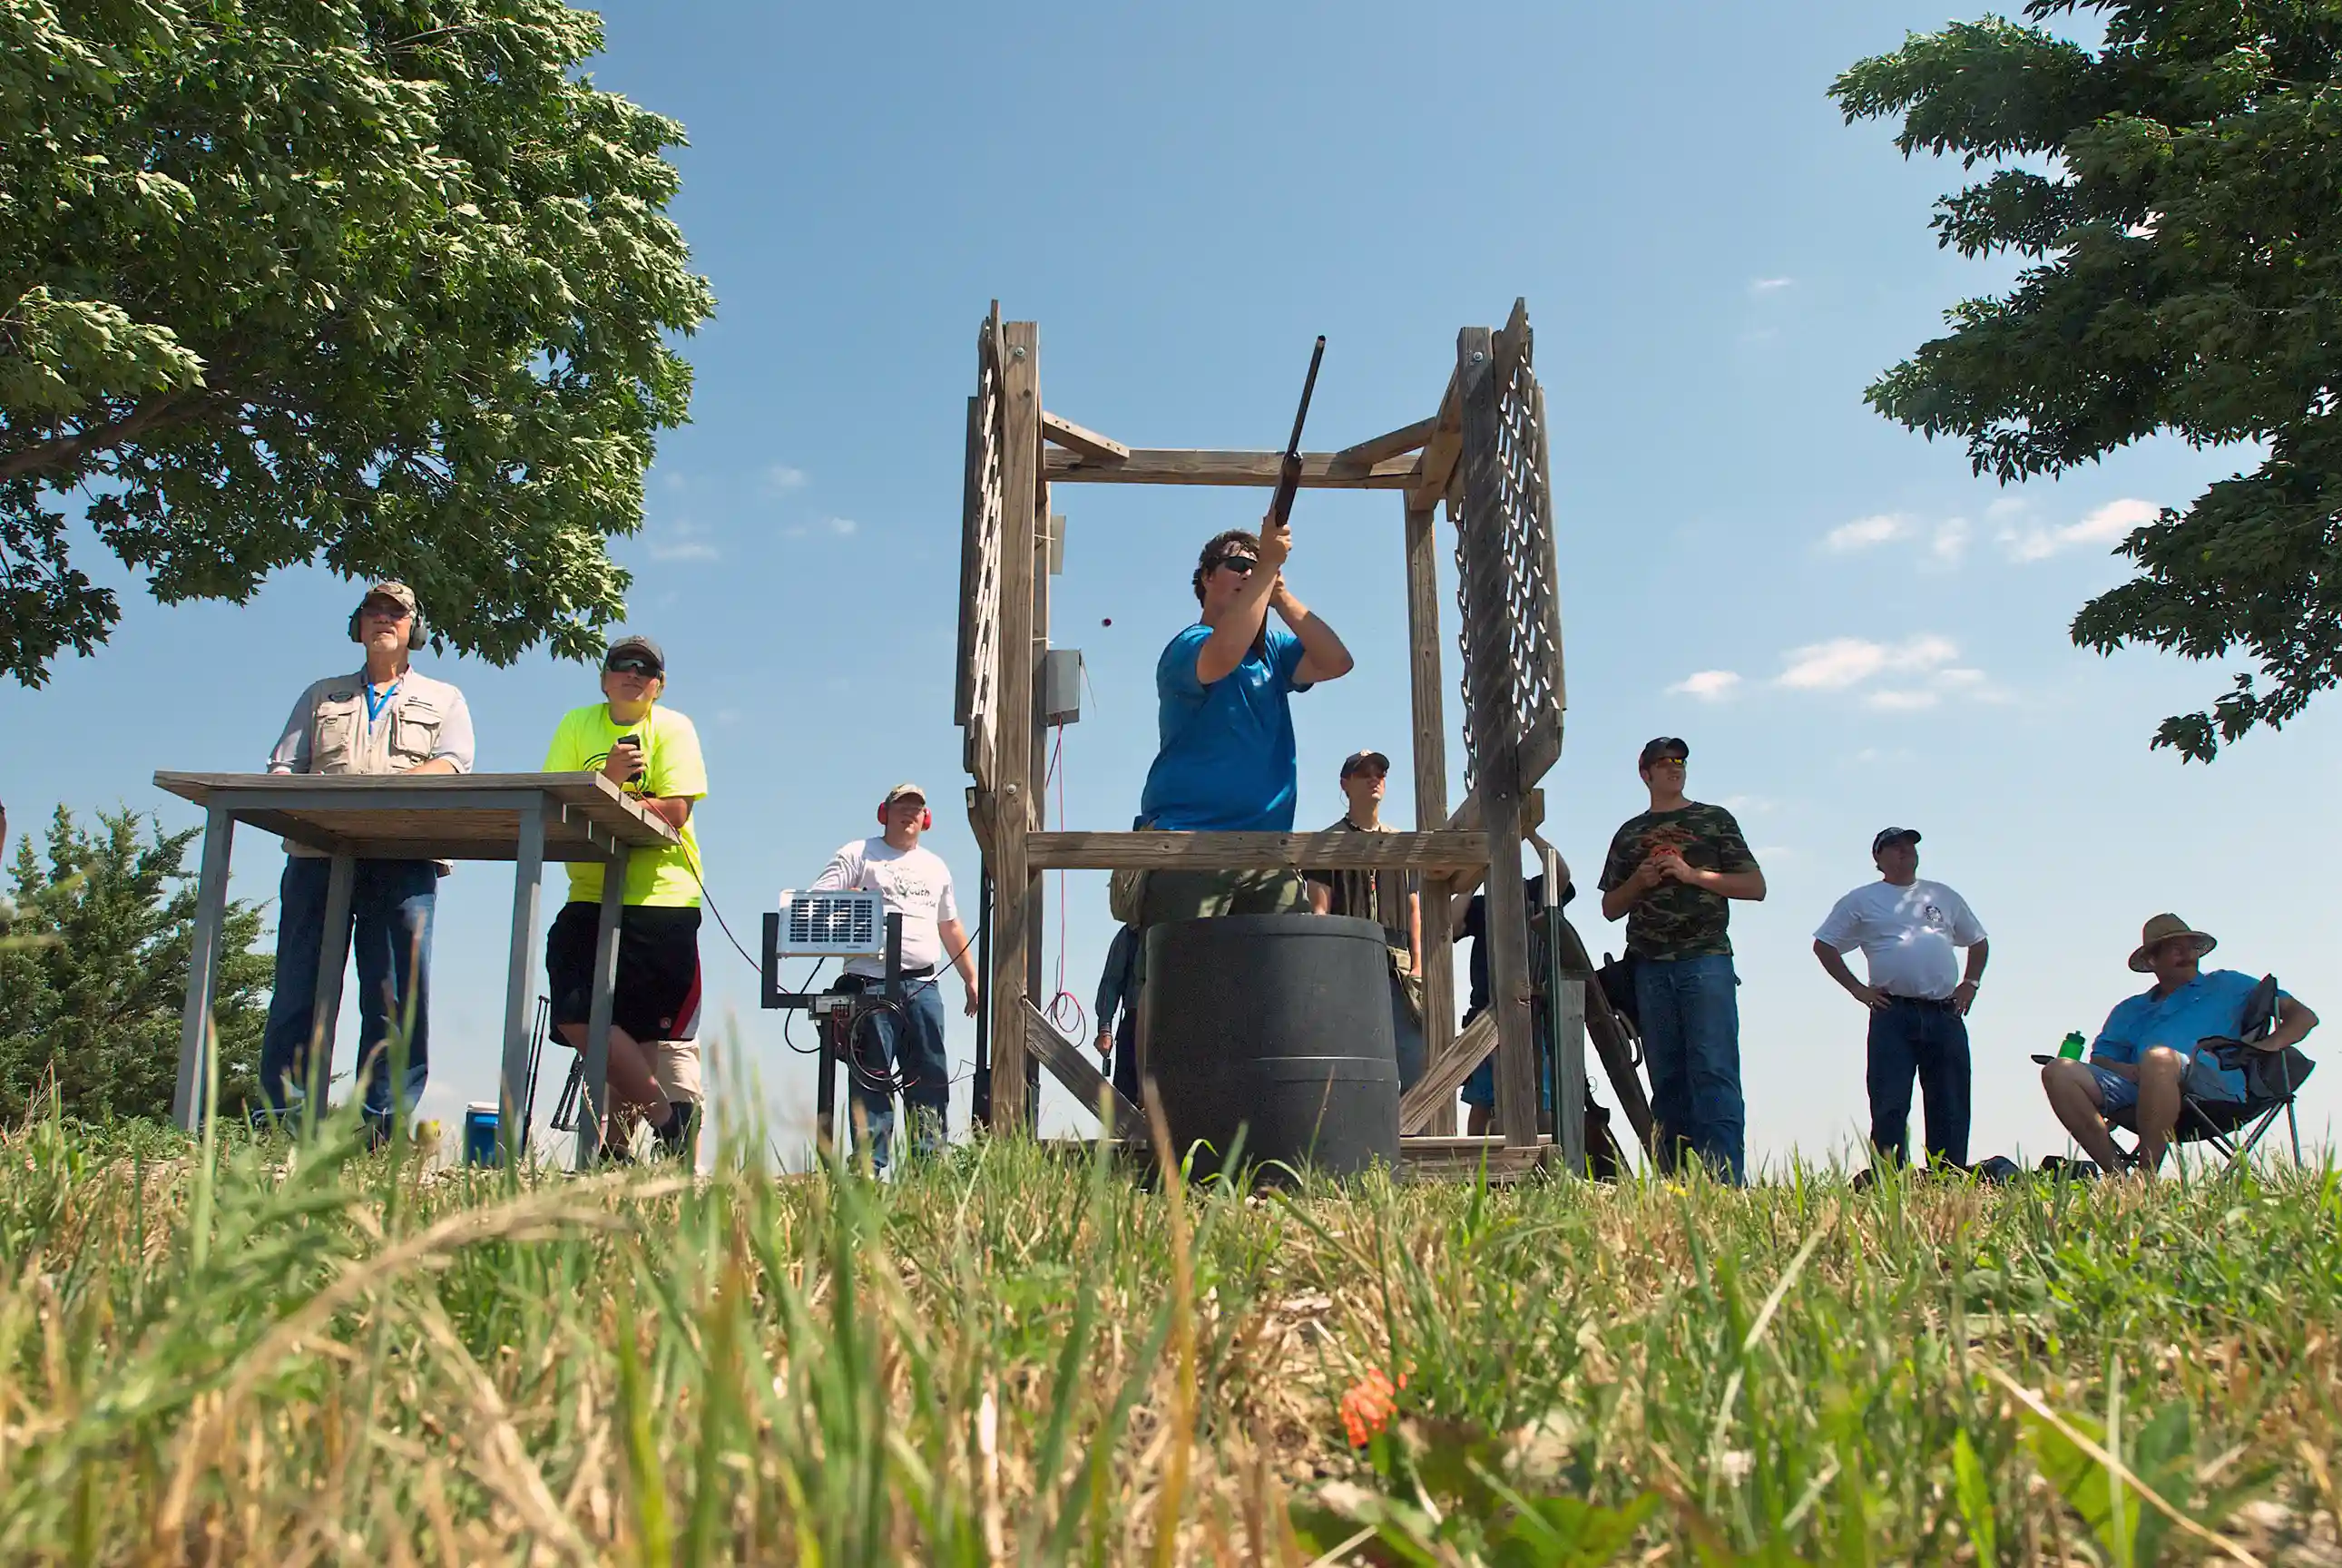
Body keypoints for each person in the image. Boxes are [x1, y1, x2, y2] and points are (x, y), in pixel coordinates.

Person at [259, 582, 474, 1134]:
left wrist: (387, 793)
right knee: (298, 986)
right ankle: (281, 1121)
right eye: (373, 613)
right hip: (316, 857)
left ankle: (380, 1126)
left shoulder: (445, 698)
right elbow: (282, 769)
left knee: (396, 995)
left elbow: (452, 765)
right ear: (357, 628)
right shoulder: (320, 695)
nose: (384, 620)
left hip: (404, 859)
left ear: (413, 630)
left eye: (396, 614)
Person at [1134, 515, 1354, 925]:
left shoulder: (1271, 649)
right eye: (1238, 565)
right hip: (1189, 844)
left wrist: (1282, 596)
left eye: (1256, 565)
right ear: (1206, 576)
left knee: (1283, 980)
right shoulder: (1187, 646)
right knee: (1183, 977)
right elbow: (1223, 654)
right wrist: (1268, 565)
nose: (1249, 572)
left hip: (1268, 851)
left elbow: (1336, 661)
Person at [542, 634, 707, 1157]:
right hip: (589, 890)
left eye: (646, 668)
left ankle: (614, 1154)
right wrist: (608, 781)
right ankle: (668, 1116)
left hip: (662, 895)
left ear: (658, 686)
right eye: (621, 664)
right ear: (603, 677)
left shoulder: (674, 727)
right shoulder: (575, 723)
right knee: (574, 1011)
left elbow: (677, 809)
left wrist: (605, 795)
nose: (633, 673)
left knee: (638, 1038)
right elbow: (554, 800)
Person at [1597, 737, 1765, 1183]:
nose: (1675, 767)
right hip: (1649, 966)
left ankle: (1725, 1183)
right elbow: (1611, 907)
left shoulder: (1713, 820)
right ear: (1645, 772)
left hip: (1705, 959)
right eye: (1665, 762)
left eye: (1681, 761)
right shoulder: (1630, 834)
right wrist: (1640, 880)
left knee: (1714, 1071)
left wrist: (1692, 875)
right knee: (1667, 1079)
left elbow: (1755, 886)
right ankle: (1678, 1183)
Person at [2041, 914, 2318, 1174]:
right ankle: (2118, 1178)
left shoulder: (2229, 984)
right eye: (2175, 948)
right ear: (2152, 960)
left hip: (2213, 1088)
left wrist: (2266, 1047)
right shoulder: (2130, 1009)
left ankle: (2145, 1177)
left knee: (2158, 1057)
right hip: (2141, 1093)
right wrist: (2124, 1070)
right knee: (2058, 1070)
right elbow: (2101, 1059)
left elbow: (2304, 1016)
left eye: (2191, 947)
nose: (2187, 954)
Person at [810, 783, 981, 1171]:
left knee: (931, 1078)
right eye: (901, 807)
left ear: (927, 819)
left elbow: (950, 926)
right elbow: (818, 900)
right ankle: (868, 1170)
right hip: (869, 983)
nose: (910, 814)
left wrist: (970, 977)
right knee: (872, 1079)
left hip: (923, 985)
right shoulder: (858, 854)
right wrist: (850, 899)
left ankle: (930, 1168)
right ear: (884, 813)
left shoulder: (936, 866)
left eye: (917, 809)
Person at [1812, 828, 1989, 1177]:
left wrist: (1970, 983)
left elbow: (1978, 941)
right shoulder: (1862, 900)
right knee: (1890, 1101)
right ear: (1878, 859)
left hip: (1944, 1010)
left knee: (1950, 1099)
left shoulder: (1942, 895)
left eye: (1909, 846)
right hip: (1892, 1011)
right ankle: (1889, 1178)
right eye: (1894, 847)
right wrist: (1857, 989)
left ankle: (1948, 1175)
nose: (1904, 851)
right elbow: (1824, 945)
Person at [1306, 749, 1426, 1088]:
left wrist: (1418, 966)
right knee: (1352, 1054)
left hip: (1398, 962)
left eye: (1381, 773)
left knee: (1413, 1057)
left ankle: (1413, 1137)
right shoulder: (1327, 842)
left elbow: (1415, 907)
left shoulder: (1401, 843)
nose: (1375, 778)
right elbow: (1320, 912)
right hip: (1348, 954)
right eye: (1364, 773)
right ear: (1345, 785)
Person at [1453, 844, 1568, 1135]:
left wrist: (1529, 832)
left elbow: (1561, 874)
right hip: (1485, 1012)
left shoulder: (1536, 891)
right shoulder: (1482, 905)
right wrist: (1474, 879)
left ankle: (1542, 1167)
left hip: (1535, 1012)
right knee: (1482, 1100)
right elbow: (1451, 925)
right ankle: (1474, 1170)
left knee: (1540, 1098)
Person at [1093, 922, 1142, 1113]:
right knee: (1125, 1104)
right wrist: (1105, 1028)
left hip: (1180, 1020)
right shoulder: (1131, 932)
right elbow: (1111, 981)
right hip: (1135, 1021)